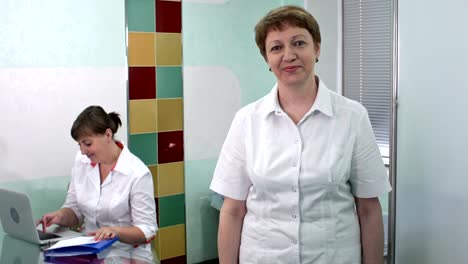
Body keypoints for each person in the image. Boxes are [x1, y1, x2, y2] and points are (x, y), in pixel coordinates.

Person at [210, 5, 391, 264]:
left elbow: (369, 208)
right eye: (276, 48)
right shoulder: (247, 120)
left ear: (316, 48)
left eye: (298, 43)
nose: (289, 55)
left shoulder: (352, 116)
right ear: (266, 59)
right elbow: (232, 210)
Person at [39, 105, 157, 262]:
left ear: (108, 135)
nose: (83, 151)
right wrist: (59, 216)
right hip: (90, 249)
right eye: (79, 144)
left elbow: (146, 230)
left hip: (128, 252)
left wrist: (116, 232)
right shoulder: (82, 162)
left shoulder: (137, 173)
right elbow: (74, 211)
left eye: (87, 144)